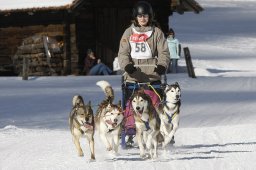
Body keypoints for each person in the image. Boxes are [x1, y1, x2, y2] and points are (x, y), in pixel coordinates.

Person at [118, 1, 170, 148]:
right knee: (131, 104)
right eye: (140, 16)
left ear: (150, 16)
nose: (142, 18)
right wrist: (127, 66)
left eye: (145, 15)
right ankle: (129, 130)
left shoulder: (157, 32)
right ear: (136, 17)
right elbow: (123, 53)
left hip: (152, 75)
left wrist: (161, 65)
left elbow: (164, 52)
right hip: (133, 75)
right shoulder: (128, 32)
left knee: (155, 103)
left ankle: (158, 131)